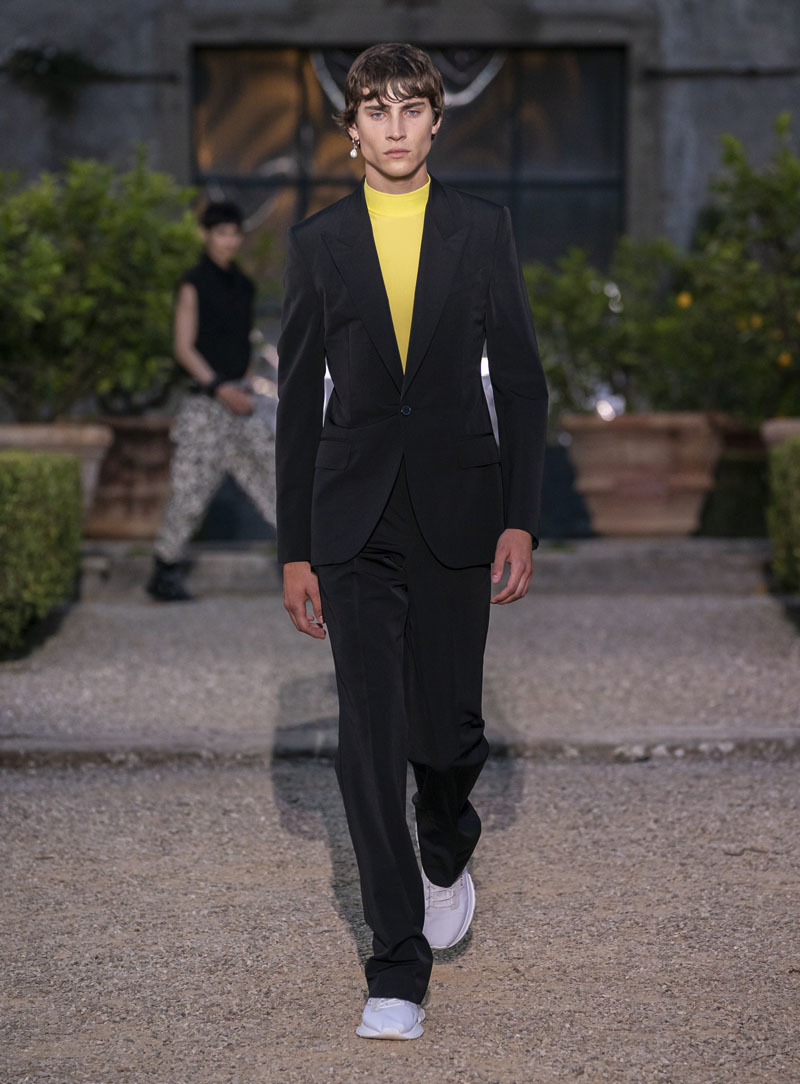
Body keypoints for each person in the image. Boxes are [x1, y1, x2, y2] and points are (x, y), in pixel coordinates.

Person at [276, 43, 548, 1039]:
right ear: (350, 129)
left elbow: (520, 379)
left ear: (436, 121)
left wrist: (519, 514)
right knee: (368, 741)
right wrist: (294, 548)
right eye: (375, 110)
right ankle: (395, 966)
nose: (394, 126)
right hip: (352, 520)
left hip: (457, 509)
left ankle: (444, 841)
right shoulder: (317, 243)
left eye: (411, 108)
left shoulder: (482, 228)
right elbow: (296, 402)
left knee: (446, 735)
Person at [148, 200, 276, 601]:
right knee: (189, 490)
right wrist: (220, 387)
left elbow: (243, 342)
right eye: (221, 233)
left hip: (242, 402)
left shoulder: (244, 285)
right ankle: (164, 570)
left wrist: (245, 385)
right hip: (207, 404)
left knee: (275, 478)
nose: (229, 241)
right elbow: (183, 348)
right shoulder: (193, 283)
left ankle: (310, 564)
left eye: (235, 233)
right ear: (206, 235)